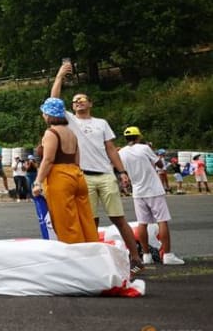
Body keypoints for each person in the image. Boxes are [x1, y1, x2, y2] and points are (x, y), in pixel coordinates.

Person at [51, 63, 143, 271]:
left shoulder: (101, 123)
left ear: (90, 103)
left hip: (105, 173)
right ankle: (92, 262)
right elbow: (54, 100)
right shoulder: (70, 120)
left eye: (82, 99)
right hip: (83, 175)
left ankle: (136, 258)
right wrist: (59, 77)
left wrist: (122, 172)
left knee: (118, 218)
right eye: (75, 101)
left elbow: (110, 149)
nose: (78, 102)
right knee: (89, 220)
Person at [31, 97, 98, 244]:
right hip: (77, 175)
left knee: (67, 223)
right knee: (85, 220)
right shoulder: (71, 134)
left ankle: (75, 257)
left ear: (48, 115)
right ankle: (92, 252)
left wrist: (38, 182)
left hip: (60, 177)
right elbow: (77, 159)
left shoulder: (51, 133)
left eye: (44, 113)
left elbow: (48, 160)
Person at [118, 126, 184, 265]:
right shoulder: (144, 148)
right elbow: (159, 163)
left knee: (143, 223)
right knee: (162, 220)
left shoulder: (122, 152)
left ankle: (146, 255)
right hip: (153, 189)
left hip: (138, 191)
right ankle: (167, 255)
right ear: (138, 137)